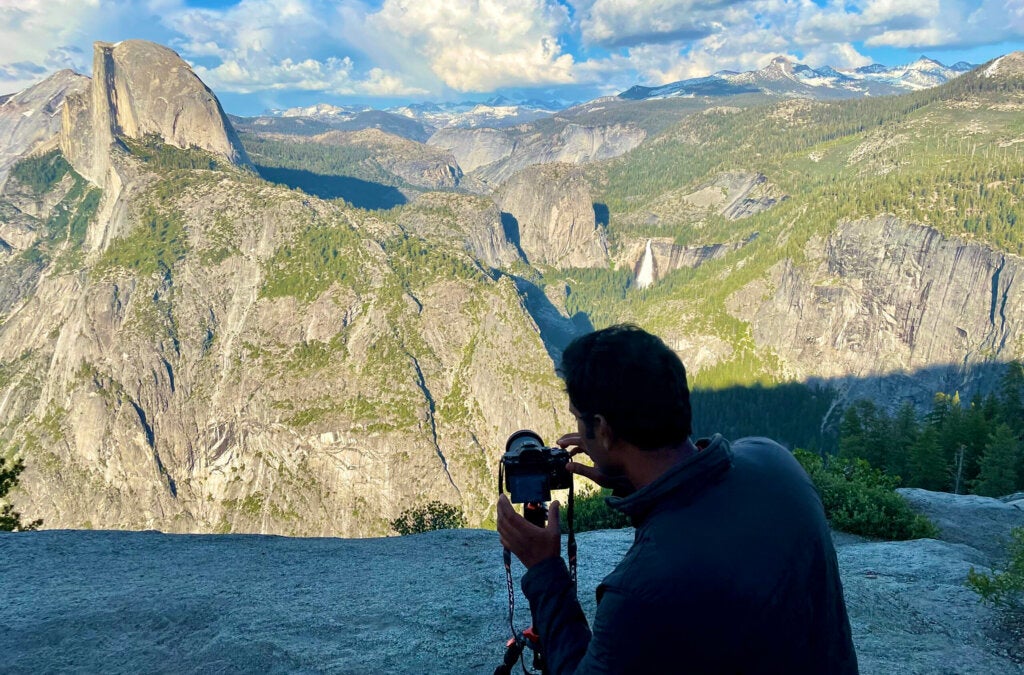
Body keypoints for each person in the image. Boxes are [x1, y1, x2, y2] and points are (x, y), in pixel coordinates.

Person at [496, 324, 858, 674]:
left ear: (604, 430)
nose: (578, 433)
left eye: (579, 420)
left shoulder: (640, 591)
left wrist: (545, 571)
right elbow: (705, 515)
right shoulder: (775, 461)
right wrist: (636, 485)